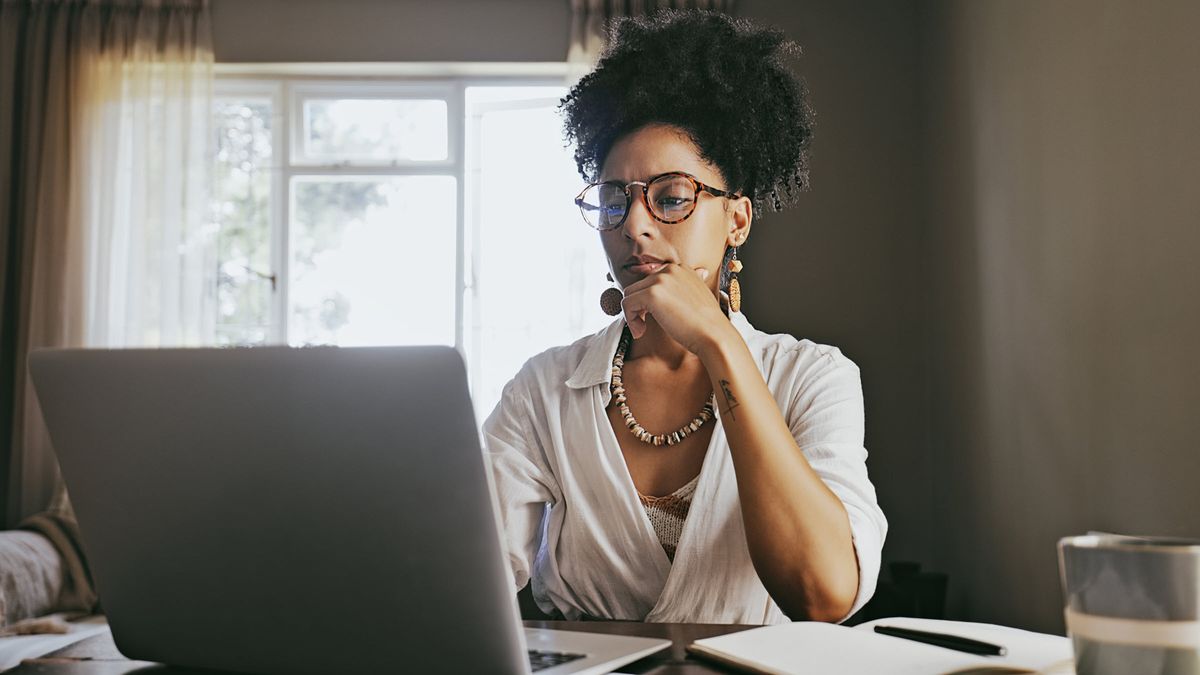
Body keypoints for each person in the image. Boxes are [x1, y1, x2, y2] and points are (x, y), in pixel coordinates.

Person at [483, 9, 887, 625]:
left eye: (671, 198)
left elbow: (822, 593)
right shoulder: (543, 391)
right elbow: (463, 576)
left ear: (737, 221)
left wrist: (720, 344)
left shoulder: (814, 378)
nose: (635, 226)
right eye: (615, 202)